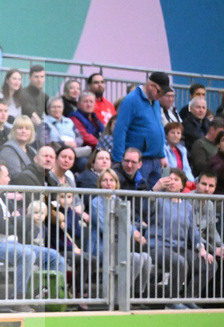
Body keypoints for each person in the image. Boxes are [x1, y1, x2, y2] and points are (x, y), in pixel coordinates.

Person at [0, 160, 66, 303]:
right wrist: (16, 221)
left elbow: (21, 222)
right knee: (28, 254)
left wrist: (14, 221)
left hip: (14, 243)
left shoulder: (3, 198)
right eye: (6, 176)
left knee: (54, 256)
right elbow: (1, 226)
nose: (9, 179)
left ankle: (53, 299)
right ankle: (19, 299)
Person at [148, 168, 209, 305]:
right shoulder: (159, 199)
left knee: (208, 264)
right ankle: (172, 299)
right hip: (158, 246)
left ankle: (189, 298)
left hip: (179, 247)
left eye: (176, 180)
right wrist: (155, 189)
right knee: (180, 262)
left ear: (182, 185)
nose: (172, 182)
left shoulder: (187, 205)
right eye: (169, 179)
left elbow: (193, 231)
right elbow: (145, 207)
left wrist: (201, 247)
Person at [88, 168, 152, 297]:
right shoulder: (96, 202)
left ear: (116, 183)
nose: (108, 183)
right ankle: (119, 294)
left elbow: (127, 222)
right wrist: (132, 233)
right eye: (105, 180)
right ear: (100, 184)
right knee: (136, 258)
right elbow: (106, 226)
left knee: (146, 258)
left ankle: (136, 294)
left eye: (112, 180)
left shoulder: (119, 201)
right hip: (102, 247)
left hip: (119, 246)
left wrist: (136, 230)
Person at [112, 71, 169, 187]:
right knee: (140, 198)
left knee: (154, 200)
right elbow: (120, 130)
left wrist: (162, 155)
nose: (161, 96)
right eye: (160, 92)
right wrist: (118, 160)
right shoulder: (131, 100)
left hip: (155, 159)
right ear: (152, 86)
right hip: (139, 161)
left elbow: (158, 128)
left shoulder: (155, 102)